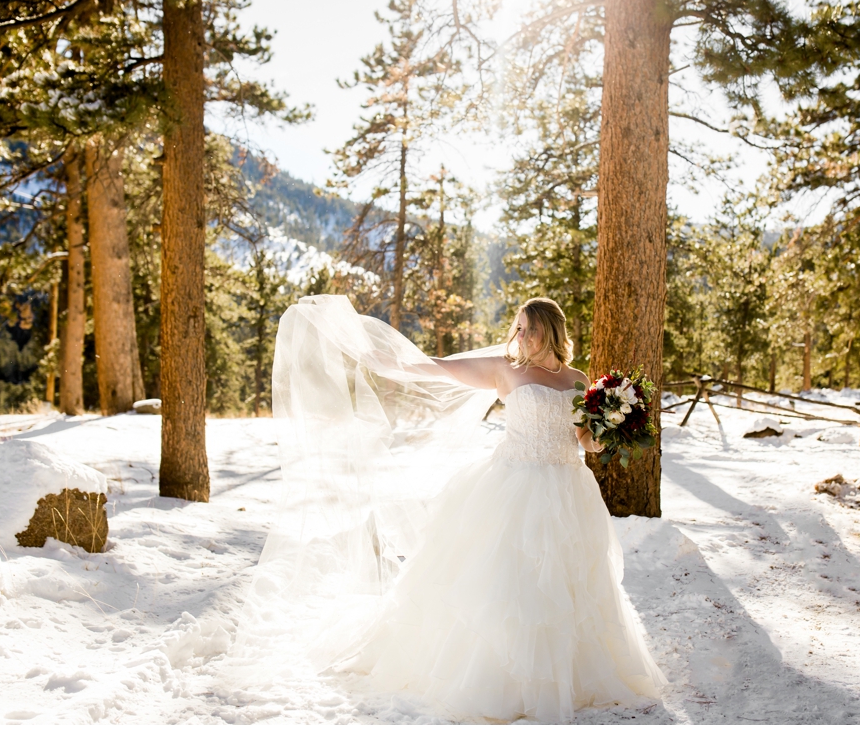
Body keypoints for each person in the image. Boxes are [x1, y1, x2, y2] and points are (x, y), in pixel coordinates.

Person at [270, 295, 664, 723]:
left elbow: (583, 441)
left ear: (552, 331)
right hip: (515, 487)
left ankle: (570, 675)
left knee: (570, 584)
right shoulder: (504, 369)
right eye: (518, 328)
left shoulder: (577, 378)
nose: (522, 336)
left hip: (568, 490)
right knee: (510, 584)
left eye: (531, 328)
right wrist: (388, 361)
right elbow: (442, 368)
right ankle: (505, 680)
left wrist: (609, 429)